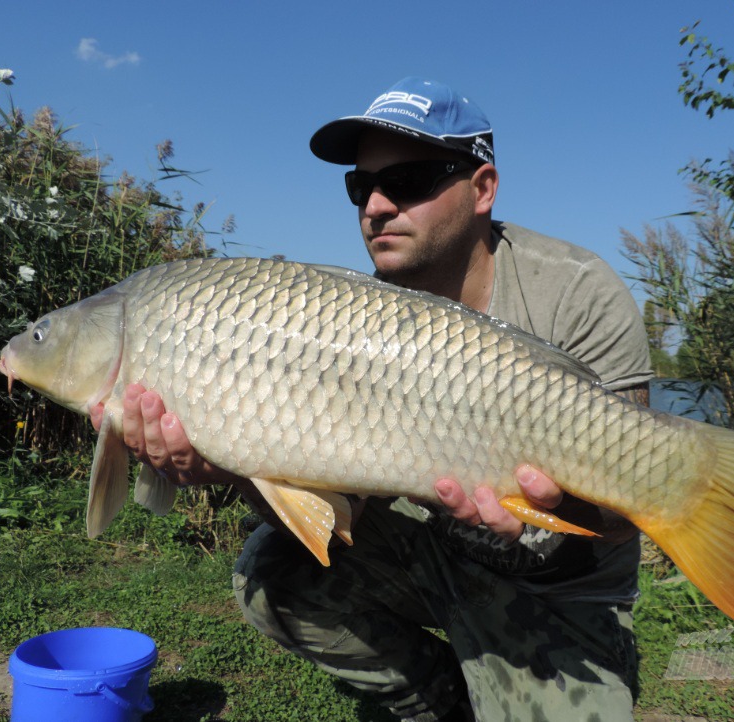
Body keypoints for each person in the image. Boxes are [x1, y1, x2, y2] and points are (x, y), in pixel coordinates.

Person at [108, 78, 653, 721]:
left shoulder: (576, 291)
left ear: (483, 189)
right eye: (360, 186)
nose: (377, 205)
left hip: (561, 587)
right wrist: (226, 466)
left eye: (412, 179)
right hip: (437, 557)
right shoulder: (352, 319)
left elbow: (629, 514)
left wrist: (551, 506)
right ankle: (438, 701)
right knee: (272, 573)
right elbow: (342, 521)